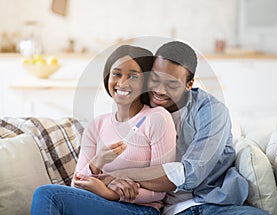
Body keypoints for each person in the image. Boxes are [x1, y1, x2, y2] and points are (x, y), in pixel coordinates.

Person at [103, 41, 270, 215]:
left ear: (189, 84)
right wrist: (113, 179)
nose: (159, 90)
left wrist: (120, 174)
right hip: (155, 207)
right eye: (155, 79)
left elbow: (191, 174)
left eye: (172, 84)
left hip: (210, 203)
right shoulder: (140, 106)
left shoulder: (211, 111)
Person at [31, 45, 177, 215]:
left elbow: (161, 188)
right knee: (46, 195)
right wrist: (98, 161)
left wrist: (110, 193)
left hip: (141, 210)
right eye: (116, 74)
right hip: (100, 205)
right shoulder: (97, 124)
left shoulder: (157, 118)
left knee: (48, 195)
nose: (122, 83)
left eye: (133, 76)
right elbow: (77, 183)